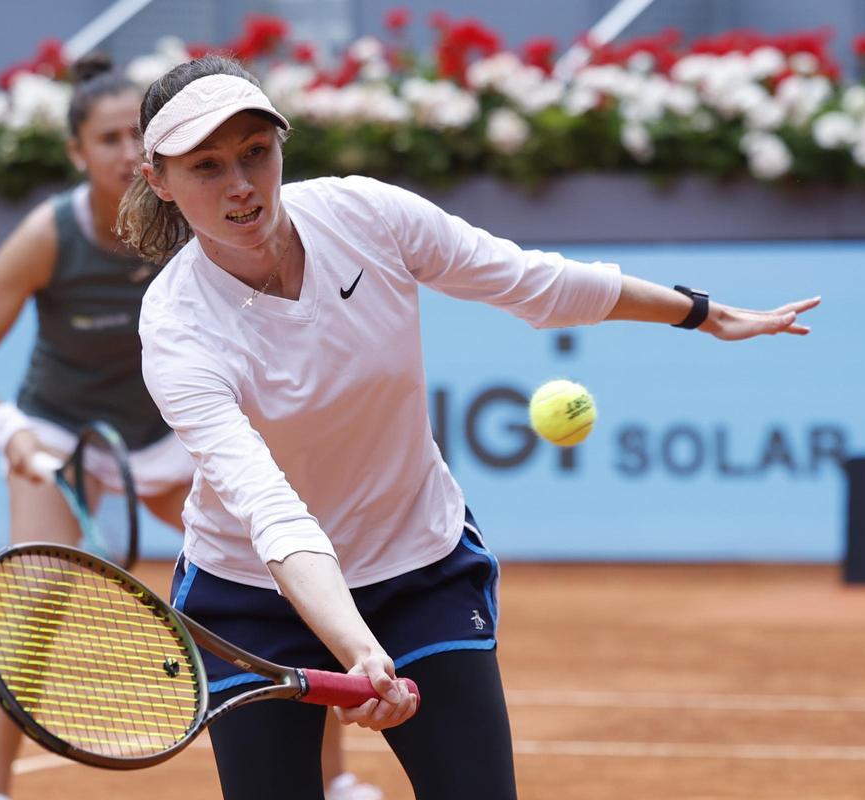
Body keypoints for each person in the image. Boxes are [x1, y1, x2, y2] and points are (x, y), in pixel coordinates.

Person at [119, 55, 820, 799]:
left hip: (418, 567)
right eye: (207, 166)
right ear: (160, 180)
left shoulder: (365, 215)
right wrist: (357, 648)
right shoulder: (177, 327)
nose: (240, 185)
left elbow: (531, 281)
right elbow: (270, 508)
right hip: (252, 597)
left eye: (256, 153)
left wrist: (699, 311)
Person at [0, 53, 380, 800]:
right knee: (34, 604)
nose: (117, 152)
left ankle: (333, 777)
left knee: (277, 587)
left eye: (127, 138)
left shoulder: (207, 213)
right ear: (78, 154)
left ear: (151, 156)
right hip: (63, 440)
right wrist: (8, 430)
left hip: (176, 438)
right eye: (101, 140)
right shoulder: (48, 235)